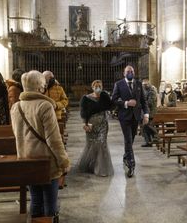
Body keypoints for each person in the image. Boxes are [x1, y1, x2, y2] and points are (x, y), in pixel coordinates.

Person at [10, 70, 70, 221]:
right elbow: (54, 140)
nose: (44, 88)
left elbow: (17, 135)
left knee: (36, 200)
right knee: (50, 202)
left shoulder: (16, 107)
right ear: (39, 87)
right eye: (43, 85)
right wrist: (64, 162)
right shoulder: (45, 106)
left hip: (26, 160)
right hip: (46, 162)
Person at [111, 65, 149, 177]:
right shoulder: (119, 84)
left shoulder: (138, 84)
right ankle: (131, 165)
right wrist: (126, 103)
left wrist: (146, 114)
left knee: (131, 139)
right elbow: (114, 99)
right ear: (124, 73)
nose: (130, 73)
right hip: (124, 117)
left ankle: (126, 156)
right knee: (127, 140)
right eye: (128, 71)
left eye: (132, 71)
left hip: (135, 117)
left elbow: (143, 100)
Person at [78, 80, 114, 176]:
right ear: (92, 87)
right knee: (91, 144)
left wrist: (106, 96)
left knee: (102, 143)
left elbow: (111, 106)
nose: (98, 88)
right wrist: (85, 123)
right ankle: (91, 165)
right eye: (96, 86)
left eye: (100, 86)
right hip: (91, 124)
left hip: (103, 124)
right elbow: (83, 112)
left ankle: (101, 169)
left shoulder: (104, 97)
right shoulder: (86, 98)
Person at [141, 78, 158, 147]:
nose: (144, 86)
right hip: (145, 111)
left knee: (147, 125)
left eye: (145, 85)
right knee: (144, 127)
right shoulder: (144, 90)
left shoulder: (152, 91)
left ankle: (156, 134)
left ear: (148, 84)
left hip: (150, 111)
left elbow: (150, 102)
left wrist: (142, 103)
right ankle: (148, 142)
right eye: (143, 85)